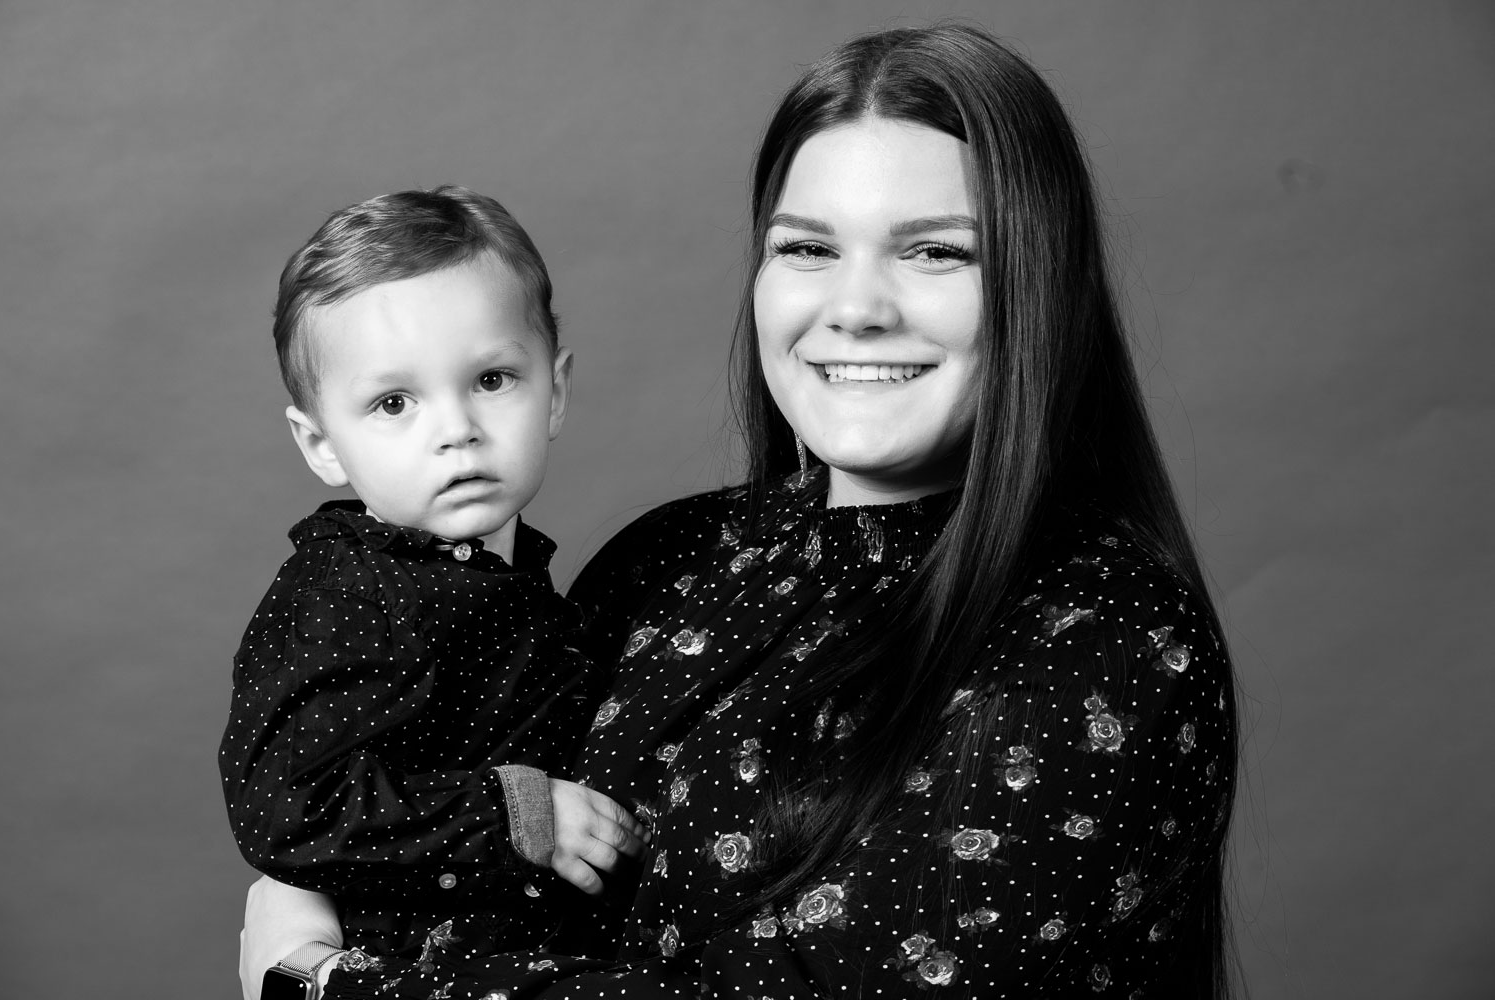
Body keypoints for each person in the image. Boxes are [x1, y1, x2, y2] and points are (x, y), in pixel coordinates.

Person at [242, 24, 1239, 999]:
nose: (856, 308)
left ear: (1038, 281)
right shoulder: (669, 558)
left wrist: (323, 983)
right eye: (807, 248)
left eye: (935, 252)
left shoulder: (1105, 633)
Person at [219, 186, 648, 977]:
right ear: (321, 445)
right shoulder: (344, 595)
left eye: (491, 380)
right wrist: (520, 816)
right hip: (409, 973)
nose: (457, 430)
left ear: (555, 391)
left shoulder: (515, 578)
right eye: (394, 402)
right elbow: (286, 807)